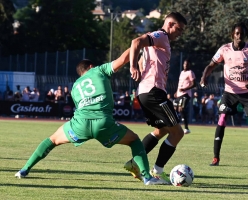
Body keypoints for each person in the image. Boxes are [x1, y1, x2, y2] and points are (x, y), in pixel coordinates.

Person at [14, 49, 164, 185]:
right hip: (103, 123)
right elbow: (123, 58)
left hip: (80, 125)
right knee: (134, 140)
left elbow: (80, 107)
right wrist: (137, 46)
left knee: (51, 140)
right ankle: (146, 177)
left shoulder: (74, 87)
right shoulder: (99, 70)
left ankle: (24, 170)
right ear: (91, 66)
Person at [200, 22, 248, 169]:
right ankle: (216, 157)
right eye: (237, 33)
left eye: (242, 34)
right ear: (232, 34)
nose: (239, 36)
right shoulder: (224, 49)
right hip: (230, 93)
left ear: (245, 35)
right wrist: (205, 77)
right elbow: (211, 65)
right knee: (222, 119)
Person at [124, 12, 187, 184]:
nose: (179, 34)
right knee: (178, 133)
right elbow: (136, 42)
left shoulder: (161, 40)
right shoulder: (161, 36)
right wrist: (133, 65)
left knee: (162, 130)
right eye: (179, 29)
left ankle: (133, 163)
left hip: (146, 92)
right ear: (170, 25)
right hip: (153, 92)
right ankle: (157, 172)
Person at [173, 59, 196, 134]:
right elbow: (180, 83)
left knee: (181, 109)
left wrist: (185, 89)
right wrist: (177, 91)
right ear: (183, 64)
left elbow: (194, 84)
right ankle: (175, 126)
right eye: (184, 64)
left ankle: (186, 128)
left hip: (186, 94)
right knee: (174, 108)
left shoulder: (190, 72)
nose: (185, 65)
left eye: (187, 64)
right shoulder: (182, 72)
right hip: (179, 94)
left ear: (189, 65)